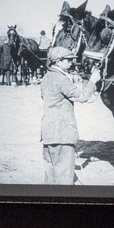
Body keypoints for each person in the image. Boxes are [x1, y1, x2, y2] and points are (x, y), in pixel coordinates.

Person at [40, 46, 101, 184]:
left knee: (51, 177)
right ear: (58, 62)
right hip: (63, 134)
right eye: (68, 60)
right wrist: (93, 80)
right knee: (64, 180)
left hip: (48, 133)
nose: (71, 63)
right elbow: (83, 96)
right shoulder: (62, 80)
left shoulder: (46, 77)